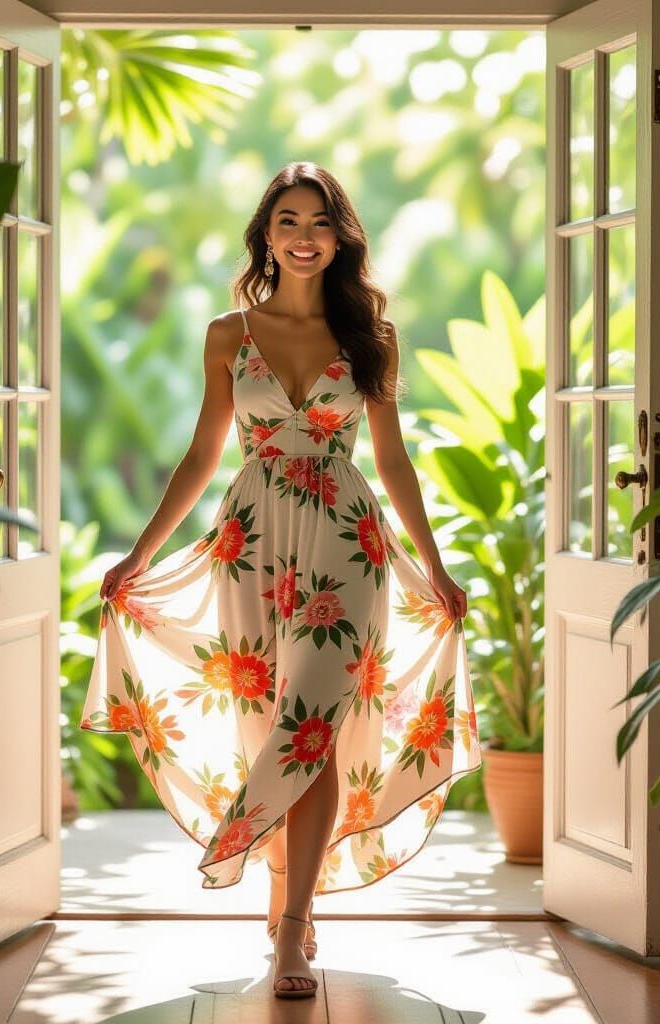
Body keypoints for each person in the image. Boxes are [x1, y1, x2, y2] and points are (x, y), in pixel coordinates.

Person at [83, 161, 483, 999]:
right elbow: (201, 454)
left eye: (320, 223)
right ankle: (281, 905)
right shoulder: (229, 334)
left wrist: (437, 566)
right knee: (271, 723)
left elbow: (393, 457)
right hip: (252, 541)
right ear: (266, 235)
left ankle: (292, 935)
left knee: (313, 728)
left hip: (347, 544)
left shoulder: (369, 327)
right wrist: (142, 554)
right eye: (289, 223)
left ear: (342, 237)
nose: (305, 239)